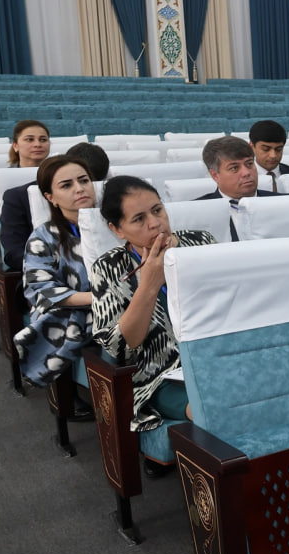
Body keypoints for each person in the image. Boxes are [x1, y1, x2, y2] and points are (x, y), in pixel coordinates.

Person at [91, 177, 217, 449]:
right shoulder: (108, 268)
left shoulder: (201, 242)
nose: (155, 223)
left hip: (215, 360)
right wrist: (149, 284)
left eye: (157, 210)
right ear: (117, 229)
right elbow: (119, 348)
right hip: (160, 378)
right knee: (214, 407)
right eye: (139, 219)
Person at [13, 158, 95, 409]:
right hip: (74, 310)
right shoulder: (43, 237)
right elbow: (42, 289)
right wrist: (99, 300)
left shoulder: (117, 225)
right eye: (66, 185)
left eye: (84, 180)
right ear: (50, 197)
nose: (79, 189)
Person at [196, 137, 286, 240]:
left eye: (249, 164)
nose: (246, 173)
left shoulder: (284, 204)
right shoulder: (197, 214)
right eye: (234, 168)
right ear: (215, 175)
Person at [1, 119, 53, 270]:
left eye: (43, 140)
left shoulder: (59, 178)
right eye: (30, 139)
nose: (37, 144)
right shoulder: (5, 180)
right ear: (15, 146)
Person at [249, 120, 289, 193]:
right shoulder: (243, 177)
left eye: (278, 149)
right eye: (266, 149)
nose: (273, 155)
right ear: (252, 147)